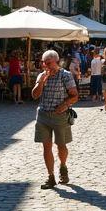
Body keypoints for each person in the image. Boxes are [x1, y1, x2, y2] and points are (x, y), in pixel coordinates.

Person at [32, 50, 78, 189]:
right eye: (44, 63)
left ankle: (63, 167)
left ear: (56, 62)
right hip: (43, 116)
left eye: (49, 63)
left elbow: (75, 95)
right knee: (46, 146)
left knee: (61, 145)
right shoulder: (42, 76)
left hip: (60, 116)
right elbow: (34, 95)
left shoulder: (65, 75)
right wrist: (41, 82)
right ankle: (50, 176)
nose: (46, 66)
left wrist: (65, 105)